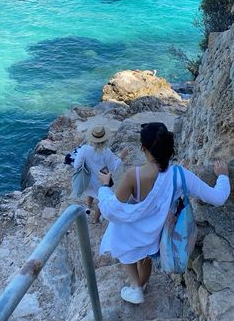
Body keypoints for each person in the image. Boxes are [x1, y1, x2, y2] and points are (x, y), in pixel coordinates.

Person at [98, 122, 230, 304]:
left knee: (125, 250)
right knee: (145, 257)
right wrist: (223, 176)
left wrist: (105, 186)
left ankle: (136, 287)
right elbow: (218, 198)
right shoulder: (180, 174)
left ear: (143, 148)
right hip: (155, 233)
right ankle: (141, 285)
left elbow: (111, 210)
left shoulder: (133, 175)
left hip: (128, 232)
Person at [73, 125, 128, 223]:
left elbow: (76, 165)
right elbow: (113, 169)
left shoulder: (85, 149)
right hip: (101, 181)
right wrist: (121, 157)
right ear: (105, 139)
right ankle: (95, 220)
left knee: (90, 192)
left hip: (87, 180)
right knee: (100, 199)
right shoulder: (107, 152)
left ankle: (88, 208)